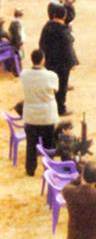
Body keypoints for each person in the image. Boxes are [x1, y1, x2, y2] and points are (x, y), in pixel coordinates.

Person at [20, 48, 59, 176]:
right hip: (47, 115)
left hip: (31, 116)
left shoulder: (24, 75)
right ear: (43, 60)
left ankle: (30, 169)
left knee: (31, 144)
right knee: (49, 144)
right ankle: (49, 169)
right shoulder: (52, 76)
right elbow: (55, 90)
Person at [39, 3, 77, 116]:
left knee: (51, 85)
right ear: (64, 16)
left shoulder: (46, 27)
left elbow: (41, 44)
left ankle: (50, 106)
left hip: (50, 61)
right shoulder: (63, 30)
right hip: (62, 64)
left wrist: (44, 59)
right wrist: (72, 62)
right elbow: (68, 46)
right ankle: (60, 108)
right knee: (62, 86)